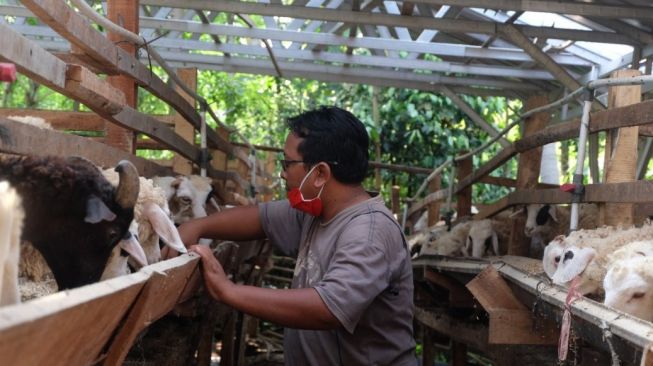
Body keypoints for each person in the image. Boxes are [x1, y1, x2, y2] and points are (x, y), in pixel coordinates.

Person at [179, 106, 416, 365]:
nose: (282, 173)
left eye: (288, 163)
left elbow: (328, 309)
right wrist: (197, 226)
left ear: (321, 174)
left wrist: (228, 291)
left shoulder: (368, 232)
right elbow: (259, 218)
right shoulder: (315, 212)